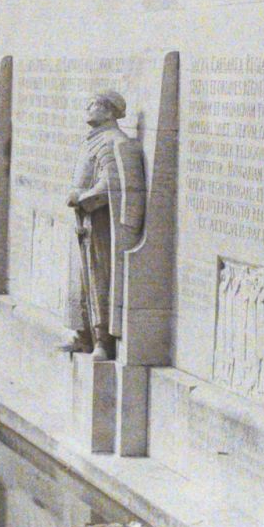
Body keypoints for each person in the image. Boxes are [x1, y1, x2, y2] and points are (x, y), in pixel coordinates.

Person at [61, 91, 147, 362]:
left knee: (100, 276)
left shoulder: (112, 142)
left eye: (95, 104)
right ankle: (84, 333)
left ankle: (103, 339)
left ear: (111, 112)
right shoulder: (94, 141)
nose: (89, 107)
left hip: (100, 220)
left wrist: (82, 198)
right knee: (82, 277)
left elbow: (109, 184)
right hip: (84, 220)